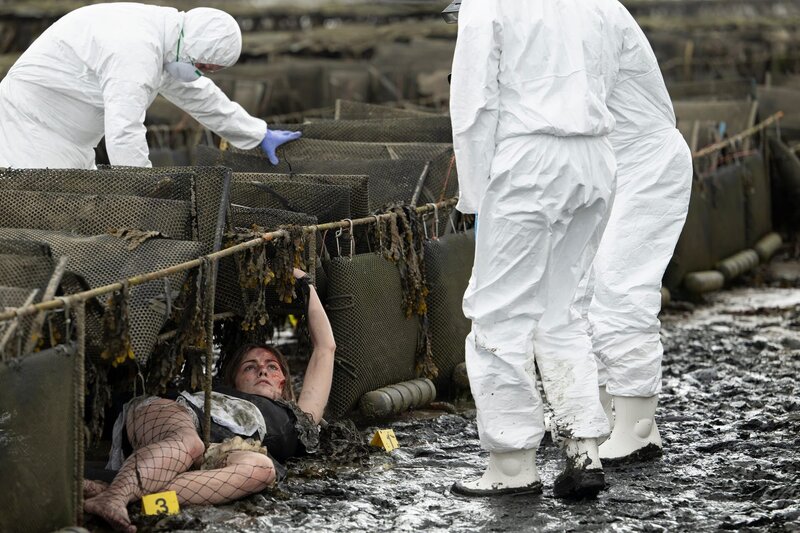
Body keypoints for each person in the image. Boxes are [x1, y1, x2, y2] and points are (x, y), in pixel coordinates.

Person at [448, 0, 628, 499]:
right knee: (563, 312)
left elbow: (473, 105)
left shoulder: (488, 6)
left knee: (499, 314)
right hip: (594, 158)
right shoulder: (601, 5)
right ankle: (582, 451)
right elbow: (614, 79)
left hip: (529, 161)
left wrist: (474, 195)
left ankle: (511, 464)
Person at [83, 269, 335, 533]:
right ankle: (115, 497)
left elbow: (325, 349)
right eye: (250, 367)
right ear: (234, 381)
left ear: (284, 380)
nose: (262, 370)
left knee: (262, 469)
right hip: (173, 417)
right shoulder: (213, 394)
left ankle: (114, 487)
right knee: (189, 443)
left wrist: (306, 285)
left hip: (223, 452)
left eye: (272, 366)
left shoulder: (300, 418)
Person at [0, 3, 300, 169]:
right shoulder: (136, 49)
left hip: (71, 141)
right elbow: (124, 129)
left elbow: (200, 95)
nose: (200, 74)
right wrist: (143, 190)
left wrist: (256, 132)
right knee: (42, 216)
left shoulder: (170, 43)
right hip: (31, 130)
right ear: (193, 49)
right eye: (203, 67)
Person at [589, 6, 692, 463]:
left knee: (620, 285)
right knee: (587, 287)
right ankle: (604, 414)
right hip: (609, 164)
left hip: (647, 164)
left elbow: (577, 94)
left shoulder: (594, 14)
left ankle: (637, 428)